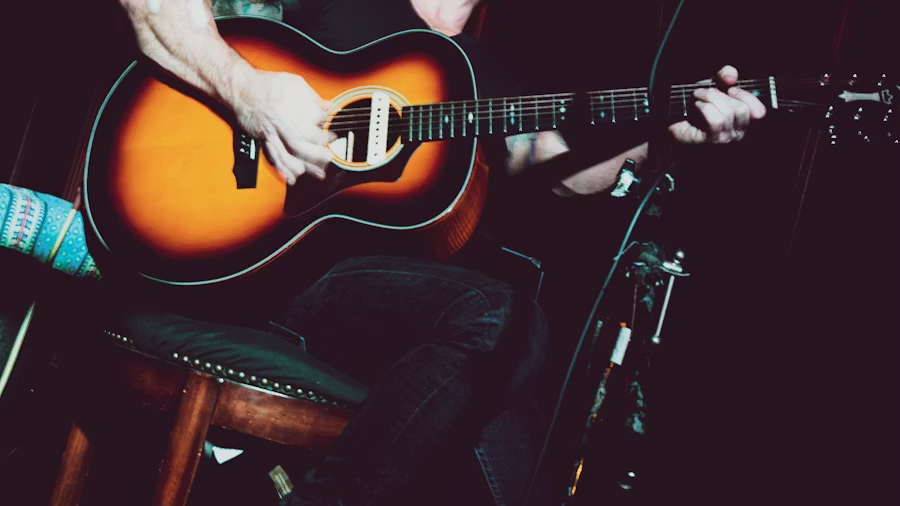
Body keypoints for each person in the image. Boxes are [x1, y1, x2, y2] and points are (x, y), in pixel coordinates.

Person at [111, 1, 767, 505]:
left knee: (516, 425)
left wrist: (669, 139)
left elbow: (551, 163)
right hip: (264, 259)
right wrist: (251, 96)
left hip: (369, 300)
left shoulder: (482, 72)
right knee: (492, 314)